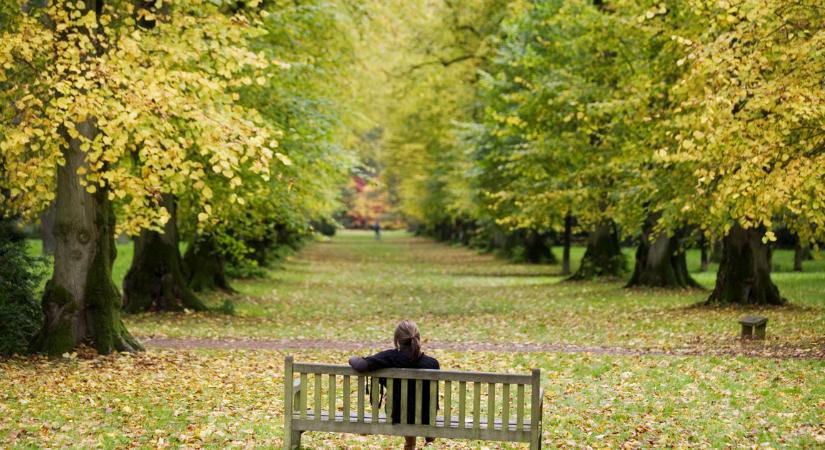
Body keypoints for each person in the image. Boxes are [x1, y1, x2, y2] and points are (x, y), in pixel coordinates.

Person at [349, 320, 439, 450]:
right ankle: (428, 437)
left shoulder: (389, 357)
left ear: (397, 339)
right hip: (427, 416)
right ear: (418, 338)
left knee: (404, 406)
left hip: (398, 414)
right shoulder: (432, 363)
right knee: (417, 402)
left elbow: (360, 365)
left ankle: (410, 444)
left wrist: (352, 358)